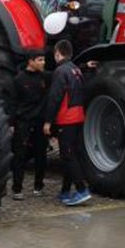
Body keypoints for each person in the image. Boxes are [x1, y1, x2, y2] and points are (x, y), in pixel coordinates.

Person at [44, 40, 90, 206]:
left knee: (67, 155)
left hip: (66, 118)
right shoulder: (76, 70)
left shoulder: (60, 71)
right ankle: (65, 191)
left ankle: (81, 189)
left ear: (57, 53)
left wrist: (48, 121)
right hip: (79, 116)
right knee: (72, 154)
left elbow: (55, 97)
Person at [10, 49, 49, 200]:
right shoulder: (18, 80)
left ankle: (38, 186)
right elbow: (12, 102)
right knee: (20, 155)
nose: (43, 63)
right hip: (23, 122)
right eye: (40, 60)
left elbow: (61, 73)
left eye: (43, 60)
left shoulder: (44, 77)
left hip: (40, 122)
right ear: (30, 61)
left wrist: (85, 65)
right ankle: (17, 189)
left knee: (41, 154)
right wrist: (11, 123)